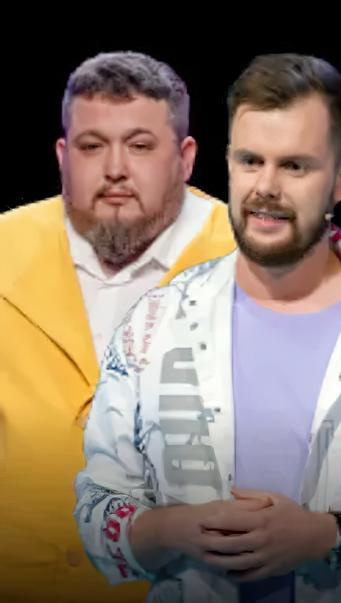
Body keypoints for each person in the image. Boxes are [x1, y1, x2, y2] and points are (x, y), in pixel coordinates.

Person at [75, 52, 341, 603]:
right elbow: (98, 509)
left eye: (295, 167)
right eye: (250, 161)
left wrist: (329, 536)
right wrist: (174, 529)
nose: (266, 187)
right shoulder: (155, 324)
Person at [0, 51, 235, 602]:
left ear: (185, 158)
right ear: (63, 156)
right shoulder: (4, 250)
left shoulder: (249, 264)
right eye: (92, 146)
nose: (115, 169)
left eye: (140, 146)